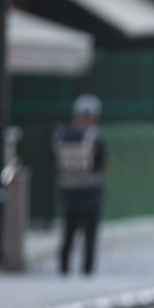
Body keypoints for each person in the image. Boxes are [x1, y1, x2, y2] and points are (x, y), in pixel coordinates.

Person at [53, 94, 108, 275]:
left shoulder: (61, 136)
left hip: (69, 189)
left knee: (69, 230)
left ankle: (63, 266)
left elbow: (55, 163)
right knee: (90, 233)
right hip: (91, 189)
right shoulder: (94, 137)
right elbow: (104, 163)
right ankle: (87, 269)